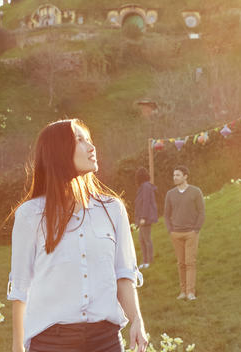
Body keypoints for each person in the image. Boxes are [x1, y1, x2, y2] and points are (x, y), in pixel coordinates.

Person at [8, 119, 147, 352]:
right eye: (79, 140)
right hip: (51, 343)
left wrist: (137, 320)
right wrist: (17, 347)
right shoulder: (30, 214)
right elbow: (21, 289)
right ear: (57, 152)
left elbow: (123, 274)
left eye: (89, 140)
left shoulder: (113, 209)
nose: (91, 147)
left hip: (106, 341)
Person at [163, 165, 205, 301]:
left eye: (178, 175)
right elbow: (166, 214)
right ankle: (182, 291)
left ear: (185, 176)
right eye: (174, 175)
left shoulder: (195, 191)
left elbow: (201, 212)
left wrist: (196, 229)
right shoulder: (170, 194)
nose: (175, 178)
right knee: (181, 263)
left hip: (191, 233)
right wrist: (170, 230)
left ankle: (190, 292)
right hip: (176, 234)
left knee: (190, 263)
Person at [132, 167, 158, 269]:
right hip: (141, 218)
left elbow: (146, 202)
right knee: (142, 240)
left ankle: (149, 261)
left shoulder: (146, 187)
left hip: (145, 218)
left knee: (146, 240)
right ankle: (144, 261)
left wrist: (143, 217)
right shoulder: (143, 187)